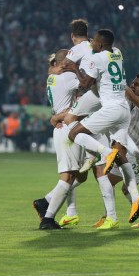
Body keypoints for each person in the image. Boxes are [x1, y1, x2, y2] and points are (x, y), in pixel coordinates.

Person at [67, 29, 139, 227]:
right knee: (121, 158)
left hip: (111, 109)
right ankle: (136, 197)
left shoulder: (98, 58)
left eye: (94, 41)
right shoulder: (117, 53)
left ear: (101, 45)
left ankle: (104, 152)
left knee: (74, 133)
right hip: (124, 111)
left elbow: (85, 83)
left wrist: (74, 67)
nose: (91, 43)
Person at [33, 50, 87, 230]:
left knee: (80, 174)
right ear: (66, 62)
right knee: (68, 176)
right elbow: (90, 83)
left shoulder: (53, 77)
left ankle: (48, 202)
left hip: (63, 127)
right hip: (66, 128)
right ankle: (48, 218)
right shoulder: (68, 77)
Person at [100, 73, 139, 228]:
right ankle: (108, 216)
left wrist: (118, 80)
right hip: (130, 154)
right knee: (107, 180)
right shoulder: (126, 105)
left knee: (126, 187)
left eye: (137, 84)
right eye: (132, 82)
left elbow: (131, 96)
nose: (133, 85)